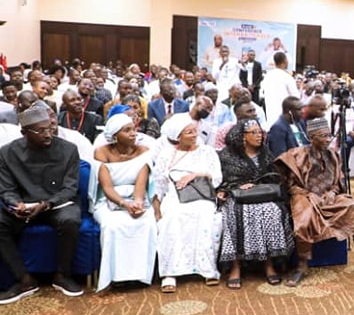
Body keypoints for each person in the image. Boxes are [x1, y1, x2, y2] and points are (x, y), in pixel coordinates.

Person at [276, 117, 354, 286]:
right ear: (311, 137)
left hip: (329, 198)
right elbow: (290, 185)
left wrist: (332, 193)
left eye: (329, 135)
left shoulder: (333, 154)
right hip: (305, 196)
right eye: (323, 136)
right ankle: (302, 266)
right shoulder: (296, 155)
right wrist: (309, 195)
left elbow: (338, 182)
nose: (328, 139)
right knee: (304, 220)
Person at [0, 102, 84, 303]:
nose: (48, 134)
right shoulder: (7, 152)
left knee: (71, 220)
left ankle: (63, 275)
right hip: (25, 206)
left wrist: (46, 204)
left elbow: (70, 189)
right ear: (24, 132)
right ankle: (24, 279)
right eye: (41, 131)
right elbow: (6, 188)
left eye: (51, 129)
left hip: (57, 204)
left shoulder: (69, 150)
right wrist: (15, 204)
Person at [217, 119, 293, 288]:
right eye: (254, 133)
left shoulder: (266, 153)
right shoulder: (227, 155)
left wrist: (259, 185)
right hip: (237, 197)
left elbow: (275, 177)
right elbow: (221, 180)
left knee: (270, 211)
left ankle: (268, 264)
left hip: (263, 196)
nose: (259, 136)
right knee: (236, 213)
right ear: (243, 136)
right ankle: (235, 266)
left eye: (260, 132)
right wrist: (237, 186)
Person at [152, 113, 223, 292]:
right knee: (173, 217)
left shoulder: (207, 151)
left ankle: (207, 269)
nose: (194, 135)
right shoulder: (166, 155)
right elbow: (159, 185)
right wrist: (157, 208)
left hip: (202, 195)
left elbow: (217, 177)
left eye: (194, 131)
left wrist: (195, 175)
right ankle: (171, 272)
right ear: (178, 136)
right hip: (174, 197)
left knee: (203, 214)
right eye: (189, 132)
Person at [92, 113, 157, 292]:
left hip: (138, 196)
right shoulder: (101, 152)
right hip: (108, 200)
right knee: (113, 226)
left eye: (133, 129)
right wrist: (124, 204)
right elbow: (107, 188)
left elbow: (141, 182)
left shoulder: (144, 150)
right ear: (114, 136)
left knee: (146, 222)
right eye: (127, 130)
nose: (133, 133)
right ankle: (114, 276)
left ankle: (140, 275)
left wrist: (137, 203)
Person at [261, 52, 299, 125]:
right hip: (284, 114)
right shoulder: (287, 77)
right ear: (285, 61)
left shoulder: (267, 76)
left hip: (270, 113)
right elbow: (296, 97)